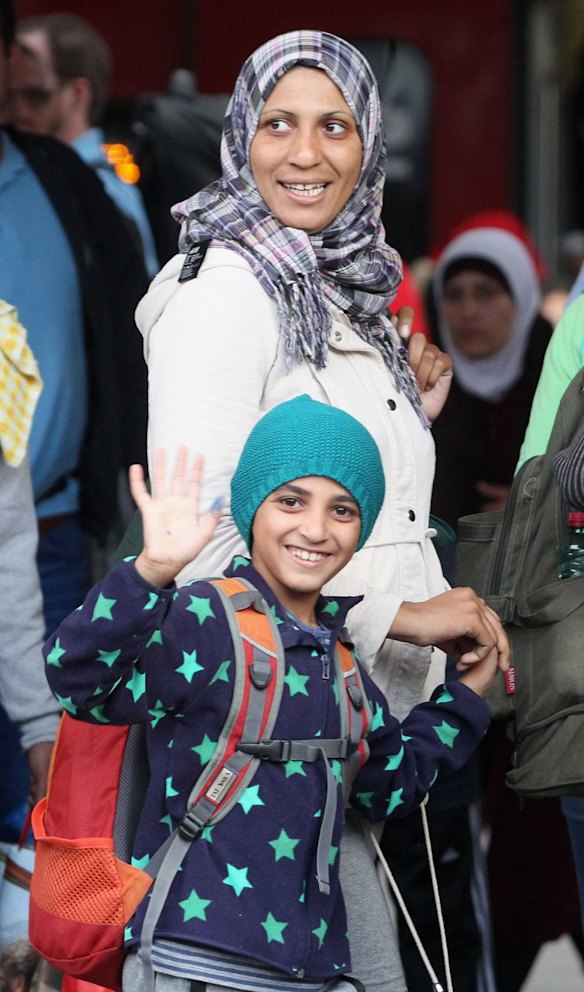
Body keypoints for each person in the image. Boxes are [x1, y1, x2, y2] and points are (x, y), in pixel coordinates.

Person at [134, 30, 509, 992]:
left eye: (335, 125)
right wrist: (399, 617)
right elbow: (205, 542)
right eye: (278, 124)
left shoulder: (349, 285)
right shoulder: (224, 292)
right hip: (296, 746)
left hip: (392, 720)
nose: (306, 154)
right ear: (239, 138)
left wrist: (403, 409)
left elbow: (330, 474)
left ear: (371, 140)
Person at [44, 396, 501, 992]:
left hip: (306, 972)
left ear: (362, 527)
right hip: (191, 964)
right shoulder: (207, 617)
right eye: (291, 500)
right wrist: (150, 571)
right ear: (252, 507)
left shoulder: (340, 661)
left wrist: (465, 697)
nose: (314, 528)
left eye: (342, 509)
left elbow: (392, 784)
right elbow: (78, 679)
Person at [0, 0, 149, 637]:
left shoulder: (69, 183)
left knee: (53, 738)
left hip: (52, 537)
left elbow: (131, 343)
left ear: (6, 60)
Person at [7, 13, 158, 278]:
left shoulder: (103, 193)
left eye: (35, 95)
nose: (16, 109)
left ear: (77, 94)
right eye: (9, 94)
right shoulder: (31, 175)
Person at [429, 225, 552, 528]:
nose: (468, 311)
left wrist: (544, 504)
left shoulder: (561, 381)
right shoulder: (421, 382)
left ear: (520, 298)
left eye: (485, 293)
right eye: (454, 295)